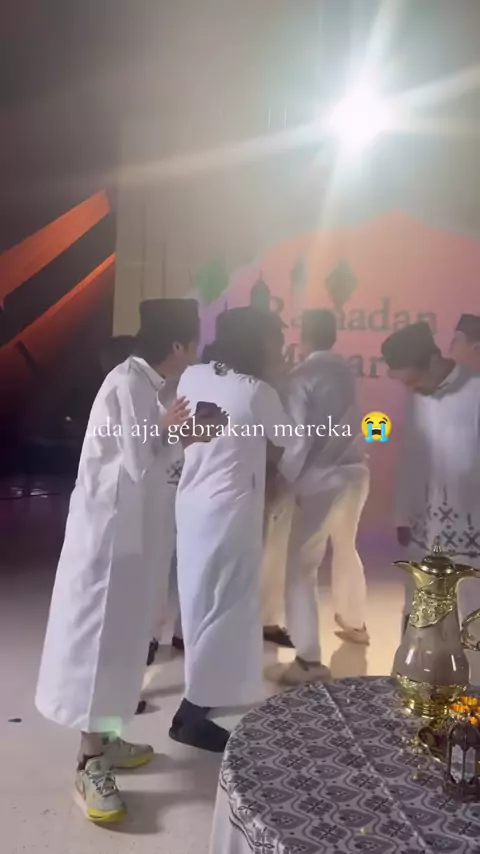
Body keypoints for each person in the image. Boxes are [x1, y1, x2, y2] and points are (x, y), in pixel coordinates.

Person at [35, 299, 220, 824]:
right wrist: (182, 434)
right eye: (194, 341)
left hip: (130, 541)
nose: (196, 351)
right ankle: (89, 761)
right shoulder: (129, 385)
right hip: (108, 546)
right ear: (178, 344)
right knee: (99, 645)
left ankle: (106, 737)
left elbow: (147, 454)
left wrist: (176, 433)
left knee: (123, 643)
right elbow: (141, 464)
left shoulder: (144, 385)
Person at [170, 307, 302, 753]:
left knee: (199, 603)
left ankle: (203, 696)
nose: (279, 349)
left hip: (192, 506)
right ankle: (191, 715)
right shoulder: (256, 391)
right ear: (257, 343)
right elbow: (293, 440)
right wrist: (279, 479)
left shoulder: (193, 375)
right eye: (275, 341)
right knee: (224, 607)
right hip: (231, 512)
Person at [269, 309, 370, 687]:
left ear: (303, 335)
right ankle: (355, 622)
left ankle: (308, 660)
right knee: (346, 547)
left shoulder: (301, 377)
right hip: (355, 471)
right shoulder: (346, 371)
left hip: (319, 480)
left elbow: (297, 440)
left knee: (301, 567)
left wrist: (283, 479)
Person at [381, 321, 480, 658]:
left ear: (434, 361)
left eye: (413, 380)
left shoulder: (475, 391)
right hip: (425, 528)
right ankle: (416, 678)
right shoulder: (418, 397)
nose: (411, 389)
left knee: (471, 612)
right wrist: (402, 514)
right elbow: (411, 456)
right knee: (418, 607)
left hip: (472, 531)